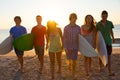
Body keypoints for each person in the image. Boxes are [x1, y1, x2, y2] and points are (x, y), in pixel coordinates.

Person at [96, 10, 115, 76]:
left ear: (107, 16)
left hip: (108, 42)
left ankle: (109, 71)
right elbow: (96, 33)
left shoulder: (110, 23)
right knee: (100, 56)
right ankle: (100, 67)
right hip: (101, 43)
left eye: (106, 16)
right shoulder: (98, 24)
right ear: (101, 16)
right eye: (103, 16)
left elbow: (111, 31)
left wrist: (113, 38)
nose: (104, 17)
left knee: (109, 57)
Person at [63, 13, 81, 79]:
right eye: (73, 17)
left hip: (75, 47)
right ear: (70, 18)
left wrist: (80, 47)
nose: (74, 19)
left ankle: (73, 74)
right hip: (68, 46)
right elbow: (64, 38)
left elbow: (80, 37)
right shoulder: (66, 27)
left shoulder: (78, 28)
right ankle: (69, 64)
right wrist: (65, 47)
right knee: (69, 59)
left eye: (75, 18)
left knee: (74, 61)